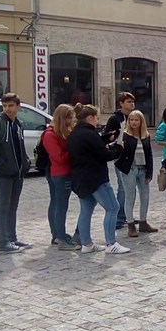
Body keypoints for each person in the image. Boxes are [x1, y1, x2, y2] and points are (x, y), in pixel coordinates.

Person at [68, 105, 129, 253]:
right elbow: (104, 155)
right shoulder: (90, 133)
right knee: (113, 207)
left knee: (86, 210)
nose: (98, 121)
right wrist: (119, 148)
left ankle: (86, 244)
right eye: (96, 118)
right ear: (90, 118)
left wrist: (105, 139)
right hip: (96, 177)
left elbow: (91, 147)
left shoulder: (75, 132)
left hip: (80, 177)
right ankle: (111, 244)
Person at [0, 93, 33, 253]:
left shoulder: (17, 124)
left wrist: (26, 163)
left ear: (18, 107)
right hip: (3, 174)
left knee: (12, 207)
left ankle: (12, 238)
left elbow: (20, 146)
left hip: (17, 173)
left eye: (11, 105)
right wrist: (3, 164)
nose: (7, 109)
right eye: (5, 106)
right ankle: (3, 242)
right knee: (2, 207)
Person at [43, 104, 78, 250]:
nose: (71, 121)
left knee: (59, 204)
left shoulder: (63, 132)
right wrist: (74, 151)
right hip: (59, 173)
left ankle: (59, 234)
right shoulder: (50, 134)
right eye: (69, 118)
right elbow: (59, 157)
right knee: (59, 205)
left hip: (66, 172)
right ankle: (59, 237)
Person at [116, 110, 155, 238]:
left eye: (136, 120)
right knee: (130, 196)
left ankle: (143, 222)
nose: (134, 122)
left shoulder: (145, 136)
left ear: (141, 121)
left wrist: (150, 172)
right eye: (131, 120)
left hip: (143, 169)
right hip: (130, 169)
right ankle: (131, 225)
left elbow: (149, 155)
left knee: (145, 196)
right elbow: (120, 151)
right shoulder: (125, 135)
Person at [104, 92, 135, 231]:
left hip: (134, 154)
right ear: (121, 103)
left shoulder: (135, 116)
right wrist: (116, 147)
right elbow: (107, 137)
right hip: (120, 155)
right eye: (128, 101)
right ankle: (120, 218)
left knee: (131, 187)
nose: (131, 104)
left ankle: (128, 215)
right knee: (123, 187)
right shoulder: (115, 119)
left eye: (132, 102)